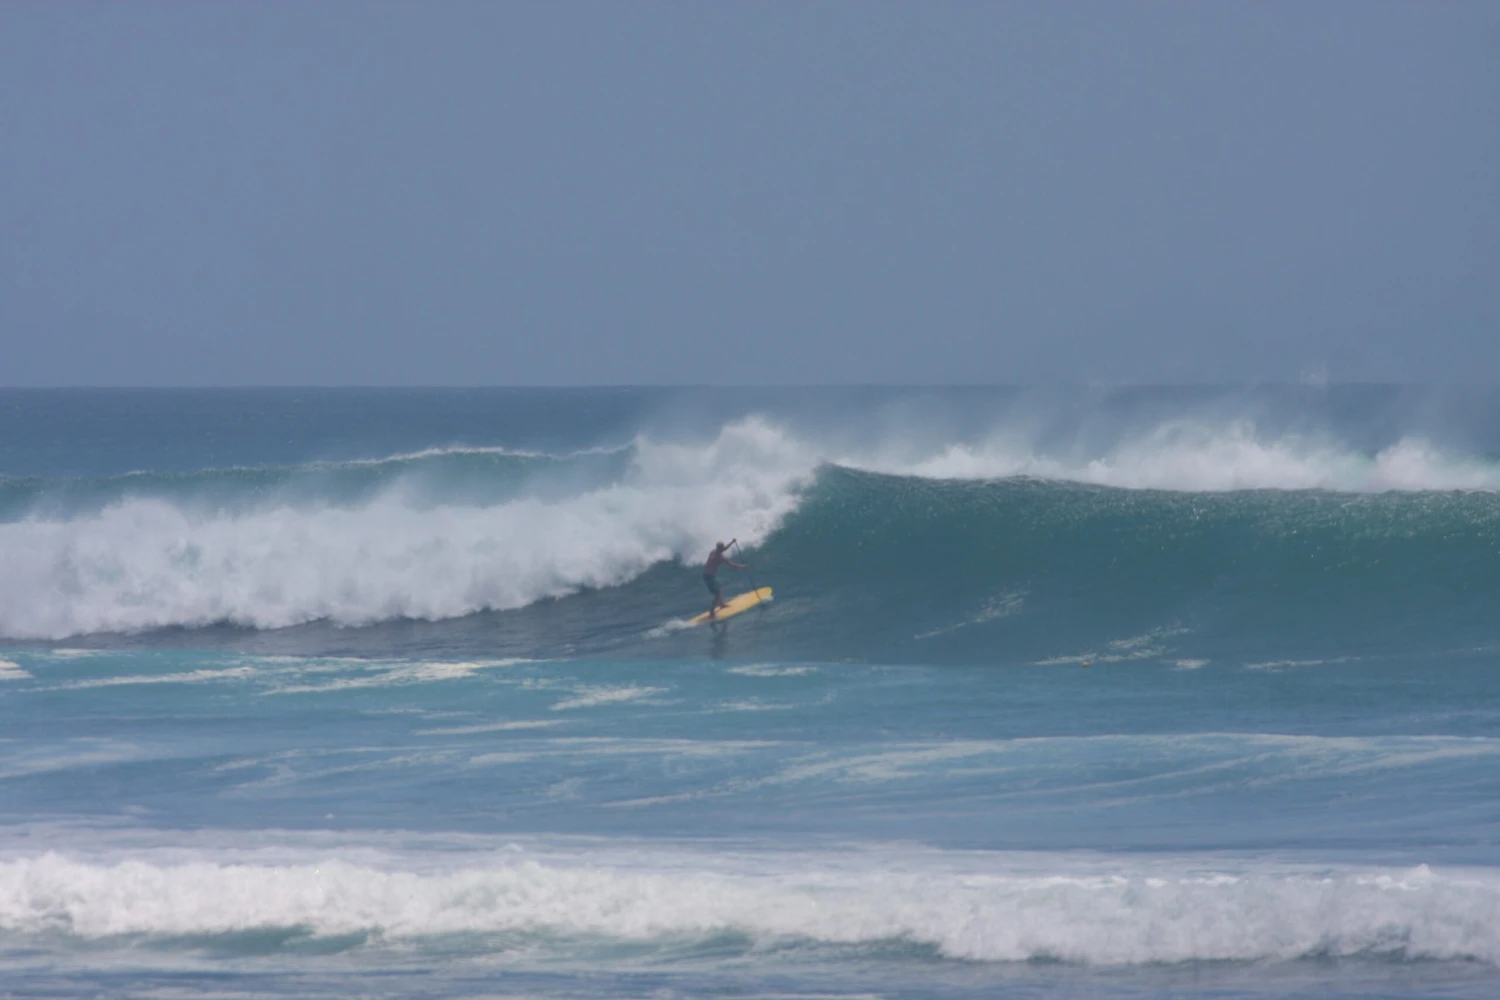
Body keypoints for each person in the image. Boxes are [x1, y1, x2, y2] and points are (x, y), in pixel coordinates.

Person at [703, 539, 746, 619]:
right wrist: (742, 566)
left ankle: (722, 605)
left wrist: (732, 542)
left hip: (706, 575)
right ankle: (711, 612)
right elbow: (733, 565)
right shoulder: (721, 558)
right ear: (721, 549)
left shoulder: (713, 551)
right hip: (710, 578)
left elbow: (723, 549)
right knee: (716, 594)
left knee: (718, 588)